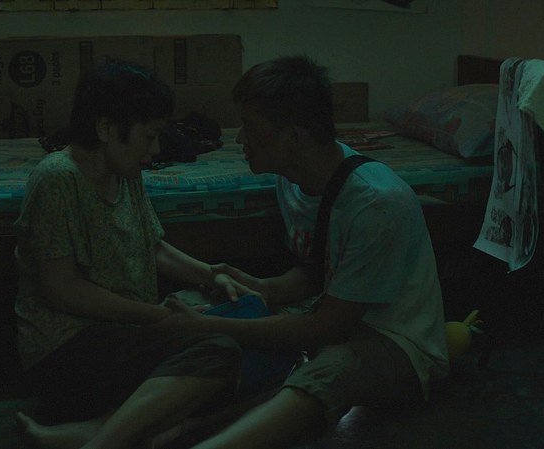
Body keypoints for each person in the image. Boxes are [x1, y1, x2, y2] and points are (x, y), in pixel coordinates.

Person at [156, 55, 450, 448]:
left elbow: (331, 327)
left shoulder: (376, 204)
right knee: (195, 304)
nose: (239, 139)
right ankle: (159, 426)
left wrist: (211, 326)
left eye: (250, 127)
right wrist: (265, 288)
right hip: (325, 313)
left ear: (294, 138)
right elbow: (318, 269)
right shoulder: (294, 180)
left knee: (330, 369)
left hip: (395, 343)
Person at [12, 58, 256, 449]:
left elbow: (152, 246)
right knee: (220, 350)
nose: (156, 149)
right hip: (67, 351)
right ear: (105, 129)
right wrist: (159, 317)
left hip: (126, 335)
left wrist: (212, 275)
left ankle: (99, 429)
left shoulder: (125, 172)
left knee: (253, 342)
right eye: (149, 136)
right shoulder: (58, 178)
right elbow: (62, 289)